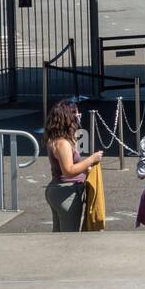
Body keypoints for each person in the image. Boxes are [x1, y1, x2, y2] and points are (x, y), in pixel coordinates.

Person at [44, 99, 104, 232]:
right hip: (66, 193)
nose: (78, 117)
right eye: (76, 114)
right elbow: (68, 171)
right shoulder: (62, 143)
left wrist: (84, 168)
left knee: (59, 234)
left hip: (60, 191)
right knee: (69, 237)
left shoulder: (57, 139)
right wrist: (91, 159)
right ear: (68, 117)